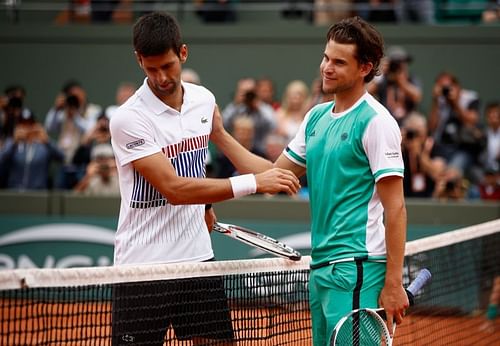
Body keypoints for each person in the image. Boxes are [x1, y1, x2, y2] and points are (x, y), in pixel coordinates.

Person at [109, 11, 300, 346]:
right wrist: (256, 184)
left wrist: (274, 174)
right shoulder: (128, 119)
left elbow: (222, 150)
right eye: (151, 68)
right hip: (143, 268)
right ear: (139, 60)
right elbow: (175, 188)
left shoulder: (203, 100)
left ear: (183, 53)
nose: (161, 77)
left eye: (168, 65)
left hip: (198, 259)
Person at [218, 16, 409, 345]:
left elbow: (396, 208)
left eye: (338, 62)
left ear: (365, 67)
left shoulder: (377, 122)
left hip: (357, 268)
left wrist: (393, 280)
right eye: (325, 58)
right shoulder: (316, 117)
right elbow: (273, 175)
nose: (327, 68)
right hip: (322, 269)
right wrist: (219, 135)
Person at [367, 45, 422, 126]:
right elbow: (367, 92)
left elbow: (417, 96)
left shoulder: (411, 79)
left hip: (407, 124)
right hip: (386, 123)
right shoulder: (382, 81)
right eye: (396, 64)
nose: (399, 67)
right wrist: (380, 74)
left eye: (402, 63)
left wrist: (401, 81)